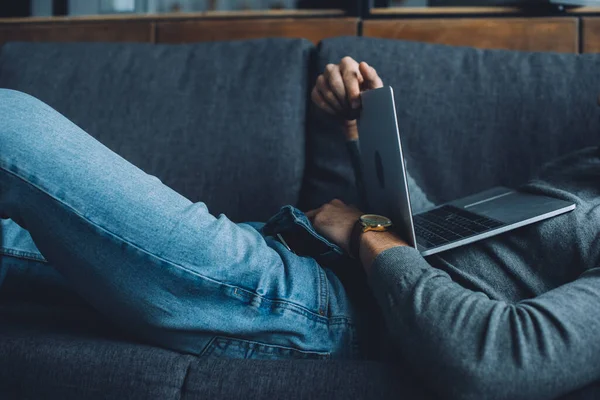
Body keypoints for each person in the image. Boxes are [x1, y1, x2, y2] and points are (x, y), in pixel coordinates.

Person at [1, 56, 599, 400]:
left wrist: (364, 230)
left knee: (14, 128)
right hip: (293, 250)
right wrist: (359, 130)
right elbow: (446, 252)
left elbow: (494, 357)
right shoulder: (585, 167)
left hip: (315, 307)